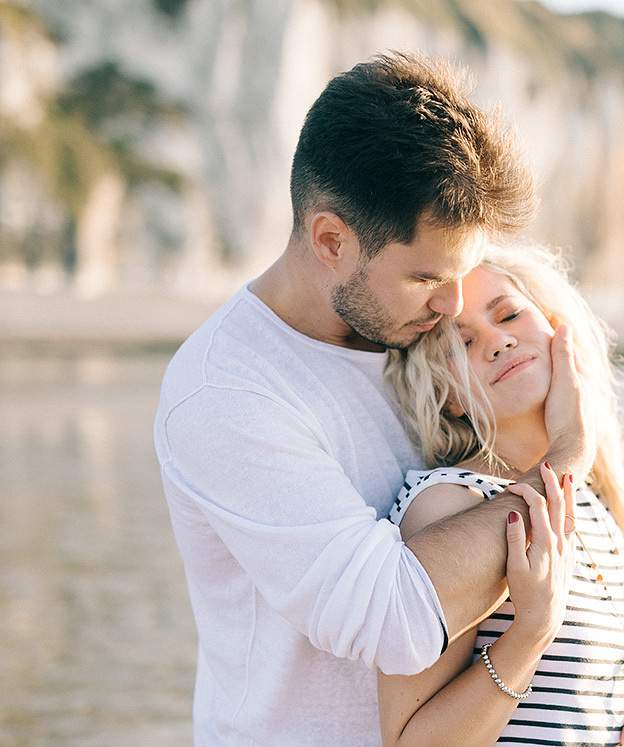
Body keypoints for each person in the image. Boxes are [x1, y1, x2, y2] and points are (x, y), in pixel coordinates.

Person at [153, 52, 595, 745]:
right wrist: (567, 461)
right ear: (331, 239)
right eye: (426, 277)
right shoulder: (227, 391)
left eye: (463, 272)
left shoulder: (417, 334)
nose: (453, 304)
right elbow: (395, 618)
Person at [380, 243, 624, 745]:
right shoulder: (452, 504)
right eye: (463, 343)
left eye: (510, 314)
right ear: (447, 396)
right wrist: (529, 635)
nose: (497, 342)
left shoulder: (595, 497)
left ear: (555, 326)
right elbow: (411, 740)